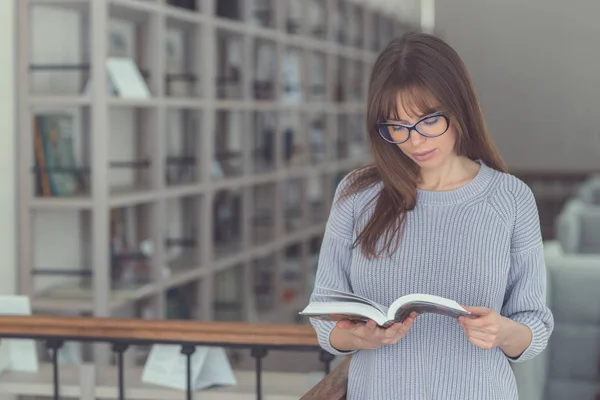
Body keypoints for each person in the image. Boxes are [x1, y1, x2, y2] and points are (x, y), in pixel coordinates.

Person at [309, 32, 554, 400]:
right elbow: (324, 314)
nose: (416, 141)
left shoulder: (510, 198)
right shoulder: (357, 194)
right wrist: (358, 336)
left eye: (428, 120)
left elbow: (534, 323)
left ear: (459, 108)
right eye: (397, 126)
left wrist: (502, 332)